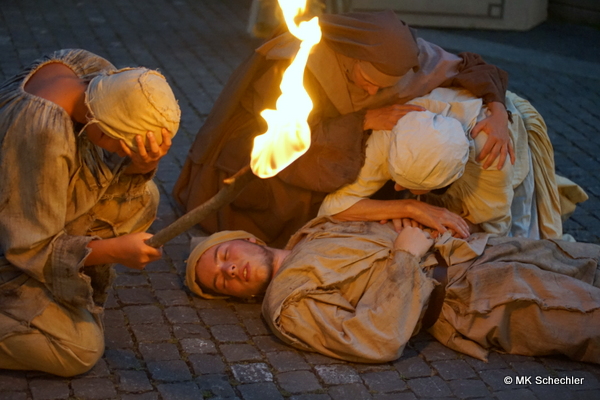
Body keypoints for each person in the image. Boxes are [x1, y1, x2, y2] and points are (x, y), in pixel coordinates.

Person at [173, 10, 512, 247]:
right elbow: (268, 138)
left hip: (347, 159)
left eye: (383, 88)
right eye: (365, 81)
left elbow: (471, 66)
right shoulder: (296, 63)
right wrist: (361, 121)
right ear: (352, 56)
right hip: (275, 161)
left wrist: (497, 111)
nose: (371, 94)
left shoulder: (403, 57)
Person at [185, 218, 600, 364]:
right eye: (220, 280)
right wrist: (404, 257)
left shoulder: (317, 229)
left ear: (250, 239)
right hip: (476, 298)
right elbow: (376, 340)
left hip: (488, 249)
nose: (229, 269)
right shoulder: (287, 303)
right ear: (237, 298)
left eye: (224, 254)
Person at [0, 49, 181, 376]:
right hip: (11, 240)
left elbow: (97, 170)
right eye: (122, 146)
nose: (121, 154)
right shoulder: (41, 131)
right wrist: (117, 251)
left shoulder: (95, 77)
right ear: (102, 127)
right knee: (79, 350)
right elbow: (28, 248)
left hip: (38, 202)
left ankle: (60, 286)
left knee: (144, 197)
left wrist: (144, 164)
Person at [319, 87, 585, 239]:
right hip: (448, 137)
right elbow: (331, 207)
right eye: (398, 179)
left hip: (503, 127)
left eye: (410, 189)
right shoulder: (394, 134)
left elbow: (493, 229)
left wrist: (437, 229)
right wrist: (409, 208)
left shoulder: (492, 157)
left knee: (521, 237)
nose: (396, 187)